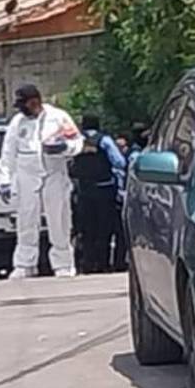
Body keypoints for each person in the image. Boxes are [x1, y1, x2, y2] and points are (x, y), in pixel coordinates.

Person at [0, 84, 84, 280]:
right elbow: (8, 152)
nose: (22, 109)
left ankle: (63, 264)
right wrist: (5, 180)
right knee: (26, 221)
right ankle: (25, 264)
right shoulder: (18, 122)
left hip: (53, 175)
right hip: (27, 177)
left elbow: (78, 142)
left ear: (34, 101)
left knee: (59, 221)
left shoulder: (58, 117)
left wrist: (64, 147)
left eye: (24, 104)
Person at [70, 114, 125, 274]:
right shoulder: (104, 141)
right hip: (104, 190)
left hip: (84, 192)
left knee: (86, 230)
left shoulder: (77, 142)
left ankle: (87, 264)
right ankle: (103, 264)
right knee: (104, 229)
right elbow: (119, 162)